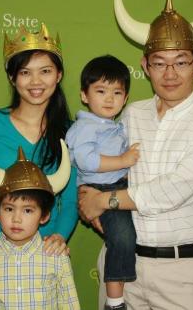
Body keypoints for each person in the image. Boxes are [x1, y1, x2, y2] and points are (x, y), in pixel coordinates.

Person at [79, 0, 193, 310]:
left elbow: (176, 188)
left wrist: (104, 202)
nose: (170, 73)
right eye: (159, 63)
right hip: (119, 268)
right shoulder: (127, 116)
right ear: (144, 66)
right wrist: (86, 198)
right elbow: (95, 163)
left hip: (180, 274)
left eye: (180, 61)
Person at [0, 23, 78, 307]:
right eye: (25, 72)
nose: (36, 81)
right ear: (13, 78)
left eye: (45, 71)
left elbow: (70, 200)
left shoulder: (70, 132)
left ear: (58, 75)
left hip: (44, 262)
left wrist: (59, 235)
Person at [0, 126, 80, 309]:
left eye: (27, 211)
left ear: (44, 216)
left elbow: (69, 304)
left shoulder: (57, 258)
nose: (16, 219)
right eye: (9, 209)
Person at [65, 55, 139, 310]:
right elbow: (87, 161)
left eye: (117, 92)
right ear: (84, 95)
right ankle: (115, 301)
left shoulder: (115, 125)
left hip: (119, 186)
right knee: (123, 237)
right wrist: (123, 159)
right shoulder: (86, 127)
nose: (109, 98)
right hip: (101, 190)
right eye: (101, 91)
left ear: (126, 98)